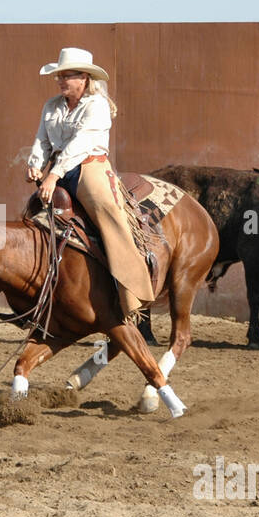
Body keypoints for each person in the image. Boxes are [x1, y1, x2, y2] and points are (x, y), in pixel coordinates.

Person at [26, 47, 155, 324]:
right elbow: (42, 140)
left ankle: (133, 298)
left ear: (84, 78)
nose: (61, 80)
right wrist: (36, 163)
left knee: (110, 218)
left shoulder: (96, 106)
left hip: (89, 168)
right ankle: (33, 297)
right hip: (59, 171)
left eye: (67, 75)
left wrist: (53, 175)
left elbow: (80, 144)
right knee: (31, 216)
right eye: (59, 76)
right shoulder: (51, 106)